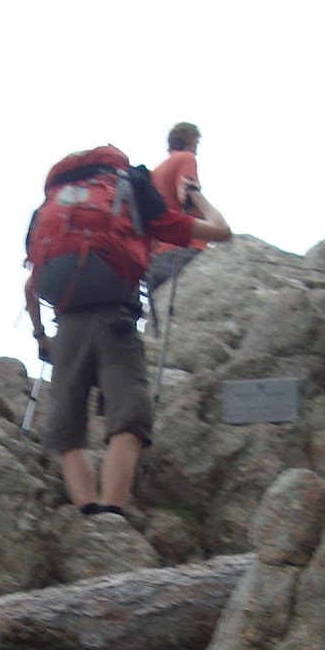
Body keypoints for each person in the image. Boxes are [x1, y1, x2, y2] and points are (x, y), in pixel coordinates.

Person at [24, 146, 231, 519]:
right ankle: (112, 512)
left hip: (67, 322)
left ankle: (86, 509)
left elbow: (31, 285)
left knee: (67, 428)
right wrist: (194, 194)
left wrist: (41, 337)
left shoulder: (53, 209)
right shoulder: (133, 197)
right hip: (115, 320)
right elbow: (221, 231)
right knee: (129, 415)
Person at [143, 123, 208, 326]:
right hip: (185, 251)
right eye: (196, 141)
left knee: (164, 325)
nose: (197, 146)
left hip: (156, 260)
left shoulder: (154, 174)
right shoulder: (186, 158)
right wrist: (210, 224)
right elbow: (187, 193)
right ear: (189, 139)